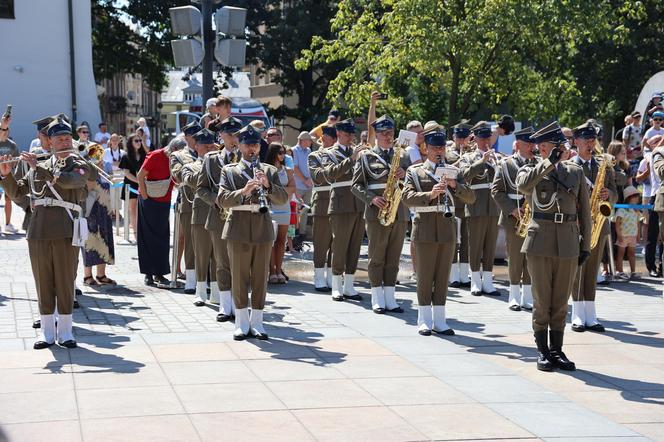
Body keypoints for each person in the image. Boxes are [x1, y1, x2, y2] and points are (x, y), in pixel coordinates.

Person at [0, 116, 92, 349]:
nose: (63, 141)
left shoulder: (78, 161)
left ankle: (66, 331)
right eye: (58, 138)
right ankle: (47, 332)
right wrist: (6, 174)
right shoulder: (38, 164)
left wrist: (39, 168)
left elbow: (73, 182)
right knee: (43, 281)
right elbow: (18, 193)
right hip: (38, 230)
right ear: (49, 142)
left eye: (66, 137)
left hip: (65, 228)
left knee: (64, 280)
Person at [516, 121, 592, 372]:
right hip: (540, 240)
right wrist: (548, 163)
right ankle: (542, 350)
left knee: (560, 300)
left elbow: (585, 211)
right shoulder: (531, 169)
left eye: (563, 145)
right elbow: (523, 186)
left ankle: (557, 350)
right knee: (542, 299)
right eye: (556, 146)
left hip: (568, 240)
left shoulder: (575, 172)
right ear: (543, 147)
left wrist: (585, 244)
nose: (563, 150)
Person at [217, 125, 288, 340]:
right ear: (239, 145)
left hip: (262, 228)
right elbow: (221, 200)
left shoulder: (269, 171)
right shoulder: (229, 171)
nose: (252, 149)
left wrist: (267, 186)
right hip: (238, 227)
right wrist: (244, 191)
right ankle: (241, 322)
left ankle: (257, 322)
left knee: (260, 277)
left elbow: (283, 199)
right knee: (239, 276)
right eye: (248, 144)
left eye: (256, 145)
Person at [402, 127, 475, 335]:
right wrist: (430, 194)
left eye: (442, 147)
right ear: (426, 148)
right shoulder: (415, 172)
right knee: (425, 275)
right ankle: (424, 319)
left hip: (447, 230)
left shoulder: (453, 170)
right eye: (434, 147)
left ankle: (440, 320)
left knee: (443, 275)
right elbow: (406, 197)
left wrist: (455, 185)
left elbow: (470, 198)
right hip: (424, 228)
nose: (439, 151)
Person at [351, 114, 411, 313]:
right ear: (376, 135)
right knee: (377, 256)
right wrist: (371, 199)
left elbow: (412, 183)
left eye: (391, 133)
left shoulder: (402, 156)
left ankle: (390, 298)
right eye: (384, 133)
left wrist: (406, 174)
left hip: (399, 211)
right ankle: (377, 297)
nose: (388, 136)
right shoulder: (366, 156)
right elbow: (355, 185)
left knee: (394, 256)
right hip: (377, 212)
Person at [569, 121, 617, 333]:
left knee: (592, 269)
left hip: (598, 224)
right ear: (576, 142)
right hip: (577, 224)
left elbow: (615, 191)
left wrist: (609, 196)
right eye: (586, 141)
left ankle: (591, 313)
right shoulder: (570, 166)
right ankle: (578, 314)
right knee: (578, 269)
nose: (590, 144)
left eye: (592, 140)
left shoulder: (602, 165)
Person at [200, 116, 243, 322]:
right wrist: (214, 199)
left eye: (237, 134)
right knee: (221, 262)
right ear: (221, 136)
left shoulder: (248, 159)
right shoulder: (211, 159)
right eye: (230, 134)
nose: (234, 139)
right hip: (218, 215)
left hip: (243, 216)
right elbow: (201, 189)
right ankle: (225, 306)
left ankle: (240, 304)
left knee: (241, 262)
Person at [321, 118, 366, 301]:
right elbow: (330, 174)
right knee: (339, 246)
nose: (350, 138)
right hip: (340, 204)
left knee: (355, 246)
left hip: (359, 203)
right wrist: (352, 159)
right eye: (347, 135)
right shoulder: (329, 153)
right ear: (338, 134)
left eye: (352, 135)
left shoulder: (360, 152)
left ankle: (349, 285)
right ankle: (336, 285)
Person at [491, 126, 535, 311]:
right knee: (515, 257)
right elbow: (496, 190)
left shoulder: (537, 163)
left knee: (531, 257)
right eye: (527, 143)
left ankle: (528, 296)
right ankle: (514, 295)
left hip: (533, 215)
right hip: (513, 216)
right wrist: (511, 209)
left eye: (532, 143)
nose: (531, 147)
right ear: (517, 145)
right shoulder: (506, 164)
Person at [458, 121, 501, 296]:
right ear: (475, 139)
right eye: (482, 138)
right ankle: (475, 280)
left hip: (494, 208)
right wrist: (482, 162)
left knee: (491, 246)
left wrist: (497, 163)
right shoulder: (468, 158)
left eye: (488, 138)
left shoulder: (498, 157)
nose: (486, 142)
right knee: (475, 245)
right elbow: (464, 176)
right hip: (476, 206)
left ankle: (488, 281)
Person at [182, 128, 219, 306]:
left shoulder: (221, 163)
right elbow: (191, 181)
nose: (209, 149)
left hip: (219, 211)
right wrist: (208, 163)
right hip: (201, 212)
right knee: (202, 253)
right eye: (205, 146)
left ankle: (216, 292)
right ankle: (200, 290)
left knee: (218, 255)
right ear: (196, 147)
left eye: (211, 145)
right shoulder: (190, 166)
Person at [136, 137, 175, 287]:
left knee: (162, 238)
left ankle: (160, 272)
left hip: (164, 201)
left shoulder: (177, 159)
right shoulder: (155, 155)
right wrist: (145, 197)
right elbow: (140, 175)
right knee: (147, 237)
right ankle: (148, 274)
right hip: (149, 200)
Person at [170, 120, 201, 293]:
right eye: (193, 136)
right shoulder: (178, 155)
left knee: (209, 242)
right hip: (189, 201)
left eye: (199, 136)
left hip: (210, 202)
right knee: (190, 241)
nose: (197, 139)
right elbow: (178, 175)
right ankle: (191, 280)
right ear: (186, 137)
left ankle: (207, 280)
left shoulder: (211, 152)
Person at [307, 126, 337, 291]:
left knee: (336, 243)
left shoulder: (340, 156)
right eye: (323, 136)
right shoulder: (316, 155)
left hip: (340, 202)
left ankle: (332, 276)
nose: (323, 139)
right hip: (323, 201)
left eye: (327, 136)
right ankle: (319, 276)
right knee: (321, 241)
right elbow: (319, 177)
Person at [82, 145, 116, 287]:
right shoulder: (86, 169)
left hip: (104, 209)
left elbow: (110, 184)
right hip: (90, 209)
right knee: (89, 240)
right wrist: (93, 171)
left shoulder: (105, 168)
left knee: (105, 238)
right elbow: (88, 189)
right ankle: (87, 276)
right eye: (95, 156)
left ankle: (101, 275)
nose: (98, 159)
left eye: (99, 155)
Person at [265, 142, 296, 283]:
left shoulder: (288, 170)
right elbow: (265, 190)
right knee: (271, 240)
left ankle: (279, 270)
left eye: (284, 152)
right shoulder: (266, 169)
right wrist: (280, 193)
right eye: (281, 152)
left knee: (281, 241)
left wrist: (276, 192)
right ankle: (271, 271)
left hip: (284, 207)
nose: (283, 155)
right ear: (274, 153)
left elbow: (293, 188)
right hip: (271, 206)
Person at [447, 122, 473, 288]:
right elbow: (449, 170)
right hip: (454, 202)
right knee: (453, 240)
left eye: (465, 138)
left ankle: (464, 274)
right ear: (454, 137)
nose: (462, 141)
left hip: (467, 201)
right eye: (459, 137)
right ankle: (452, 275)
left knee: (466, 240)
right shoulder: (448, 154)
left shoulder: (472, 153)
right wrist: (462, 159)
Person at [118, 134, 148, 241]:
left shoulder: (145, 155)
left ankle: (142, 232)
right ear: (131, 143)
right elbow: (126, 173)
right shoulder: (126, 156)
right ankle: (136, 234)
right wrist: (139, 181)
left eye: (140, 140)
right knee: (133, 209)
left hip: (143, 185)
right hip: (131, 184)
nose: (139, 142)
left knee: (143, 210)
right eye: (136, 141)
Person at [614, 186, 641, 280]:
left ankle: (633, 272)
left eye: (637, 196)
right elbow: (617, 223)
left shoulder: (636, 210)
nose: (637, 198)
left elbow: (638, 223)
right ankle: (619, 271)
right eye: (635, 196)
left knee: (632, 253)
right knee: (620, 253)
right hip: (623, 236)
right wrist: (619, 235)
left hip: (632, 236)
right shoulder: (622, 210)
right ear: (629, 197)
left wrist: (638, 235)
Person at [292, 131, 314, 241]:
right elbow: (294, 168)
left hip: (308, 185)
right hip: (298, 186)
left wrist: (310, 180)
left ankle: (302, 234)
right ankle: (294, 235)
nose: (311, 141)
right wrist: (305, 180)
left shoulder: (309, 150)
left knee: (304, 211)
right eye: (309, 140)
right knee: (295, 211)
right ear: (302, 140)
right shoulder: (293, 151)